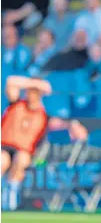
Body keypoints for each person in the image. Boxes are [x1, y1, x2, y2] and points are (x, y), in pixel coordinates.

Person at [1, 76, 87, 211]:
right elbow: (10, 81)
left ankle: (10, 195)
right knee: (2, 160)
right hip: (5, 147)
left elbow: (61, 124)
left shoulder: (44, 116)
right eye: (29, 90)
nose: (30, 94)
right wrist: (37, 83)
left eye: (34, 91)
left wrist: (73, 125)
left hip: (25, 152)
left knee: (21, 159)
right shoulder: (16, 104)